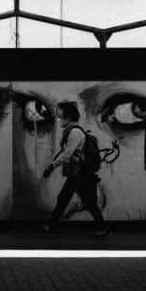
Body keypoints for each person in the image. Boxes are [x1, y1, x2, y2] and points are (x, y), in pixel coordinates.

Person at [40, 101, 110, 237]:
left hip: (80, 174)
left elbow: (67, 153)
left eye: (60, 116)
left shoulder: (74, 133)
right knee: (66, 199)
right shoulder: (72, 131)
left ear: (68, 118)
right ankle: (52, 226)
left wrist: (52, 166)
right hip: (77, 173)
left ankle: (102, 227)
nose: (59, 119)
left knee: (84, 202)